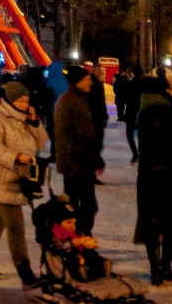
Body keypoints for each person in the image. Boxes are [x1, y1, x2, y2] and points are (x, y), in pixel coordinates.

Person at [0, 80, 48, 287]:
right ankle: (25, 272)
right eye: (21, 100)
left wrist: (34, 122)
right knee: (15, 226)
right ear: (10, 100)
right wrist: (16, 157)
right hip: (2, 178)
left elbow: (41, 143)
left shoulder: (23, 118)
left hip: (20, 179)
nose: (25, 104)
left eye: (27, 101)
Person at [134, 73, 172, 285]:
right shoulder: (167, 110)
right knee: (171, 219)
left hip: (147, 170)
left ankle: (154, 269)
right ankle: (166, 266)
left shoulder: (143, 111)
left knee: (149, 219)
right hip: (171, 170)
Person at [53, 65, 103, 235]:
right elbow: (84, 135)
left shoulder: (72, 99)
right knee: (87, 206)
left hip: (72, 160)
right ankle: (78, 237)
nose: (90, 80)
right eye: (87, 77)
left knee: (74, 204)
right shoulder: (74, 102)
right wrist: (95, 159)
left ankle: (73, 237)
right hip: (77, 162)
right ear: (79, 81)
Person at [116, 66, 141, 163]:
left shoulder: (128, 84)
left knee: (129, 135)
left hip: (131, 112)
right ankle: (140, 151)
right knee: (141, 135)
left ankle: (135, 153)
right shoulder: (144, 84)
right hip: (141, 112)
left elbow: (122, 96)